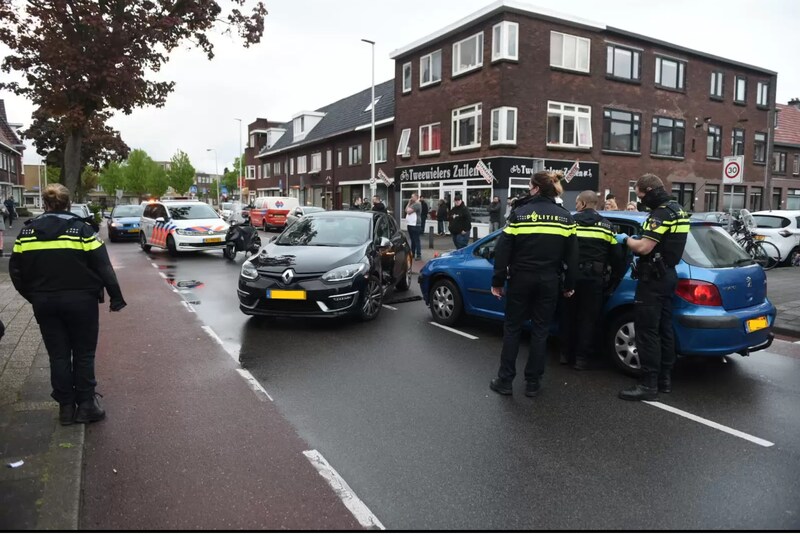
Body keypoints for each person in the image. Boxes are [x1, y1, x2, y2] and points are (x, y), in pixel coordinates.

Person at [9, 184, 127, 425]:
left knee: (58, 355)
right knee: (83, 353)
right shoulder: (81, 231)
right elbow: (103, 265)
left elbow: (15, 271)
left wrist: (33, 295)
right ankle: (86, 405)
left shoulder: (27, 233)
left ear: (45, 204)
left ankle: (65, 408)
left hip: (45, 302)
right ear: (68, 204)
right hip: (81, 302)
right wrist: (116, 297)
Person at [489, 171, 578, 397]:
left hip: (521, 279)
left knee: (512, 329)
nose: (528, 190)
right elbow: (573, 257)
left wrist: (498, 281)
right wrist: (569, 284)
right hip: (549, 280)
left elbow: (503, 252)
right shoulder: (566, 217)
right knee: (540, 331)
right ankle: (533, 383)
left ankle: (505, 381)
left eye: (530, 186)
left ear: (537, 188)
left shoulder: (519, 214)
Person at [615, 174, 689, 400]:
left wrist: (626, 240)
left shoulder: (660, 214)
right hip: (668, 274)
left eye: (640, 195)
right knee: (664, 329)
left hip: (653, 279)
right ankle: (664, 379)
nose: (640, 200)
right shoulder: (678, 210)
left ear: (648, 190)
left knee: (647, 331)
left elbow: (645, 248)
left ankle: (648, 385)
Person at [559, 191, 624, 370]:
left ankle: (565, 354)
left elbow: (562, 249)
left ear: (584, 203)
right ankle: (581, 358)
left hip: (571, 276)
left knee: (567, 316)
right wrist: (614, 276)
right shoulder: (607, 226)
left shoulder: (570, 222)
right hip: (594, 278)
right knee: (588, 318)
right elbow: (617, 256)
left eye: (578, 202)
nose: (576, 205)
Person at [405, 193, 422, 260]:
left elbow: (408, 211)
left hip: (415, 224)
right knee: (412, 240)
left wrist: (409, 204)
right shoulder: (412, 204)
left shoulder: (417, 204)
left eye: (412, 197)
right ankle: (412, 253)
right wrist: (409, 203)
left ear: (416, 197)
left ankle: (418, 254)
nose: (411, 198)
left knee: (416, 240)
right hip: (410, 224)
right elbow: (406, 210)